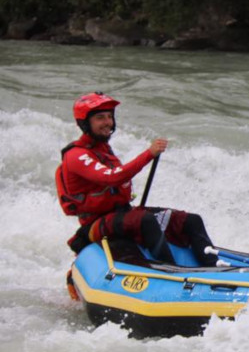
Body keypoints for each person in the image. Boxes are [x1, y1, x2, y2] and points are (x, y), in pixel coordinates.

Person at [56, 91, 217, 266]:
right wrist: (149, 154)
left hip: (122, 214)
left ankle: (215, 269)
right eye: (100, 118)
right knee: (145, 221)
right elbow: (112, 178)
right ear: (85, 123)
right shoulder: (76, 155)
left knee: (191, 221)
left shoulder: (104, 150)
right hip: (95, 224)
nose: (107, 122)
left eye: (109, 117)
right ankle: (171, 272)